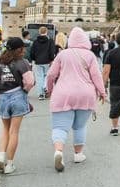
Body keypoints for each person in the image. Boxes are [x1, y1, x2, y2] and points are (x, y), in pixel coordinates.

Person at [46, 27, 107, 171]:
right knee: (80, 126)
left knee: (60, 127)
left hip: (63, 93)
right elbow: (96, 76)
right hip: (85, 94)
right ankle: (78, 154)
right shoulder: (90, 55)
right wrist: (102, 92)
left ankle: (58, 151)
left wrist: (50, 89)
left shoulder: (62, 55)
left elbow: (51, 75)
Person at [0, 37, 34, 174]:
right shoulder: (22, 63)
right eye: (22, 48)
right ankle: (10, 164)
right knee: (14, 131)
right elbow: (30, 81)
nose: (24, 49)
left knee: (5, 130)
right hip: (17, 96)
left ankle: (1, 157)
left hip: (2, 97)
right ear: (19, 49)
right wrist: (24, 90)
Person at [30, 26, 56, 100]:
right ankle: (45, 86)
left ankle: (41, 95)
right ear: (46, 32)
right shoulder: (50, 41)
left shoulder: (35, 41)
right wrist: (52, 59)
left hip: (38, 62)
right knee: (46, 76)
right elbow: (52, 52)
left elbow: (32, 53)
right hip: (47, 61)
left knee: (39, 78)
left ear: (39, 32)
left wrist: (34, 59)